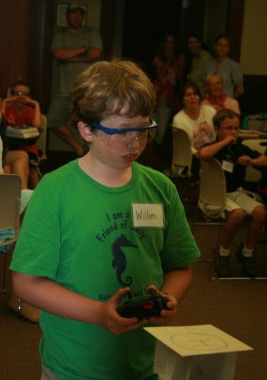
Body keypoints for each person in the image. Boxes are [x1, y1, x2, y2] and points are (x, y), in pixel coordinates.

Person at [10, 59, 200, 380]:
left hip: (143, 363)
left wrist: (168, 298)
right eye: (122, 132)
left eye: (143, 129)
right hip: (74, 367)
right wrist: (98, 313)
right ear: (86, 129)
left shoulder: (160, 188)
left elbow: (180, 265)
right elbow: (26, 283)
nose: (136, 143)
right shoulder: (55, 191)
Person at [199, 109, 267, 278]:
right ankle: (223, 253)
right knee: (237, 215)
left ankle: (247, 252)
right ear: (217, 129)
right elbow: (203, 154)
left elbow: (265, 160)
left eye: (236, 128)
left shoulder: (239, 148)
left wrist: (252, 161)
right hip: (217, 194)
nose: (234, 132)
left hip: (237, 192)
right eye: (229, 128)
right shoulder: (213, 147)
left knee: (260, 212)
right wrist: (225, 142)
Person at [47, 2, 103, 156]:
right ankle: (79, 149)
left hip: (87, 92)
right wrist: (83, 49)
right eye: (73, 13)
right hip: (63, 91)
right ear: (67, 15)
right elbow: (58, 54)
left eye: (80, 13)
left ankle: (92, 157)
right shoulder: (60, 35)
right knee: (52, 121)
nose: (77, 17)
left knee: (89, 125)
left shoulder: (92, 33)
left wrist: (69, 57)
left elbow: (96, 54)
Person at [2, 80, 42, 188]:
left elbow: (37, 125)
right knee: (7, 169)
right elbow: (2, 122)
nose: (21, 97)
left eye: (25, 94)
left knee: (32, 167)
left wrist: (36, 104)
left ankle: (35, 194)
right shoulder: (7, 109)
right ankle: (17, 197)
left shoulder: (30, 110)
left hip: (27, 147)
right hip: (10, 147)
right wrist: (5, 102)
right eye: (17, 94)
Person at [172, 81, 216, 175]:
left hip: (213, 152)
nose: (192, 97)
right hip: (193, 157)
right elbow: (185, 146)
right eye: (188, 95)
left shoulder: (210, 111)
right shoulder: (178, 119)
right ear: (182, 99)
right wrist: (201, 155)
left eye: (195, 94)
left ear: (199, 97)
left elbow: (217, 134)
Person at [152, 34, 184, 145]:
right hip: (158, 93)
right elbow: (159, 77)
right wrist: (167, 63)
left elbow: (180, 76)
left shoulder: (179, 57)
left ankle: (158, 148)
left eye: (172, 42)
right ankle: (151, 150)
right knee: (153, 122)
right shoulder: (159, 57)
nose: (169, 45)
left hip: (170, 95)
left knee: (163, 125)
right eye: (167, 42)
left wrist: (173, 60)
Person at [0, 103, 29, 189]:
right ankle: (20, 195)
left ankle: (22, 194)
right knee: (8, 169)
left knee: (22, 156)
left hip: (4, 153)